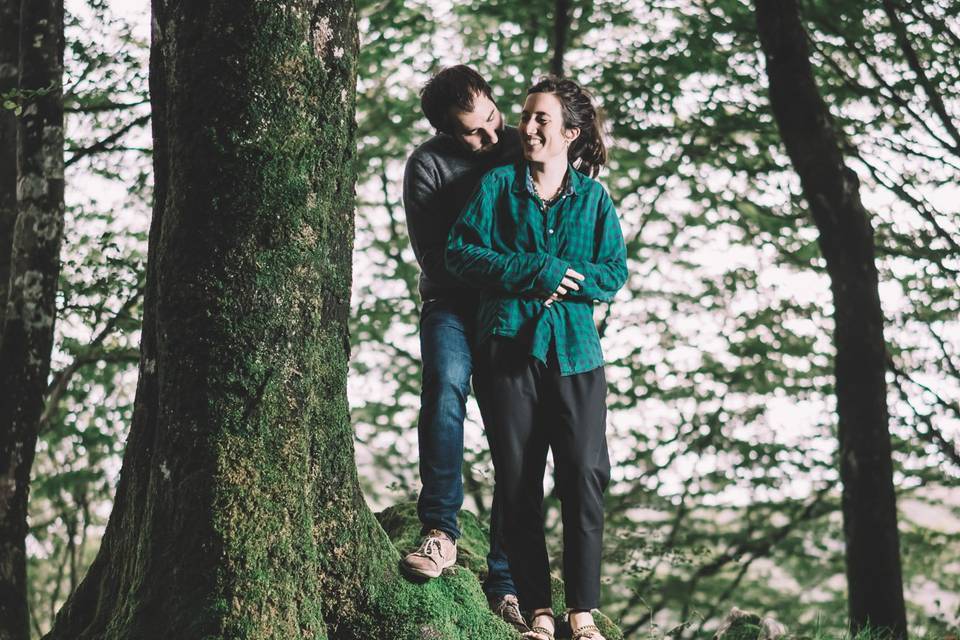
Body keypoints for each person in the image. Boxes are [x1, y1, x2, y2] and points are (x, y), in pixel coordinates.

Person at [446, 76, 627, 640]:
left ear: (571, 133)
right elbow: (459, 252)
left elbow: (613, 274)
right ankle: (539, 614)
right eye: (525, 117)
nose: (526, 128)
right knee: (519, 479)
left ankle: (583, 613)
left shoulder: (595, 200)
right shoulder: (499, 186)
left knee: (583, 475)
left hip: (576, 355)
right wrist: (534, 269)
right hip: (507, 348)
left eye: (541, 120)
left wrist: (569, 282)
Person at [399, 65, 530, 633]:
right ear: (447, 132)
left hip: (511, 311)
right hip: (451, 307)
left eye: (493, 121)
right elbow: (436, 258)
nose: (489, 138)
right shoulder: (426, 165)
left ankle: (507, 581)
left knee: (516, 433)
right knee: (446, 387)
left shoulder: (521, 145)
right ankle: (440, 535)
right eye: (472, 133)